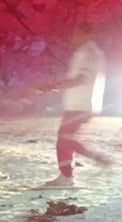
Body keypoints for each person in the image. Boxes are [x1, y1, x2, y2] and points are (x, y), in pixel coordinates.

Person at [36, 22, 112, 188]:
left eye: (76, 33)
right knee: (66, 138)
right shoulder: (96, 53)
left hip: (80, 103)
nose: (72, 37)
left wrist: (53, 86)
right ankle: (91, 159)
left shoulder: (87, 53)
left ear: (87, 35)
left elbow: (81, 79)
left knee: (63, 138)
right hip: (84, 102)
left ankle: (68, 175)